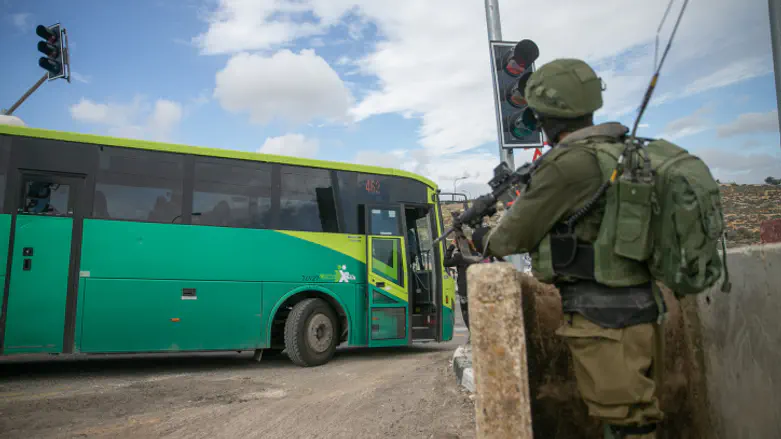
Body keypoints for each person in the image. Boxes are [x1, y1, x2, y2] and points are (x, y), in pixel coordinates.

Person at [470, 59, 665, 439]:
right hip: (644, 305)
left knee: (627, 424)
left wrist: (482, 239)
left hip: (602, 316)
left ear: (546, 115)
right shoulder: (623, 152)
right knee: (638, 413)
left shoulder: (568, 164)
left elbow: (511, 237)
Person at [443, 238, 479, 334]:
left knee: (466, 312)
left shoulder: (460, 256)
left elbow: (446, 262)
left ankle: (472, 333)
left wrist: (451, 247)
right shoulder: (477, 255)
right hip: (476, 289)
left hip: (464, 290)